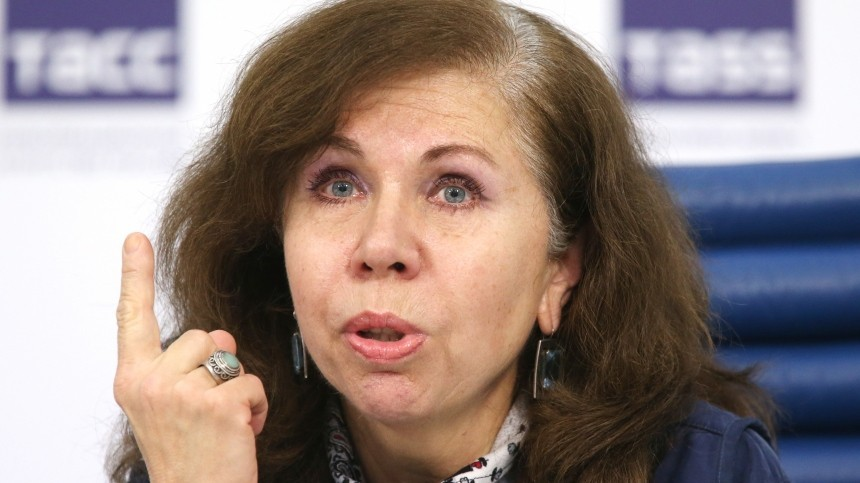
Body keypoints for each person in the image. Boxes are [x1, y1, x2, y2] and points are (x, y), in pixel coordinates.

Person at [108, 0, 790, 481]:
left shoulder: (702, 468)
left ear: (562, 266)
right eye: (338, 185)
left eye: (454, 190)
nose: (381, 245)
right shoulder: (207, 450)